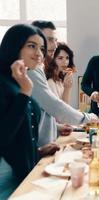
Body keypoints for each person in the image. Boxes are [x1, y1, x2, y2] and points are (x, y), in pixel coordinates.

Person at [0, 24, 59, 199]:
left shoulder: (20, 81)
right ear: (14, 46)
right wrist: (25, 92)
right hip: (7, 183)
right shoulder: (5, 85)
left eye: (41, 48)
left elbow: (18, 135)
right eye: (31, 46)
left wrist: (38, 151)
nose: (39, 53)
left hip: (26, 176)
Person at [29, 21, 98, 147]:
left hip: (43, 145)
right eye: (49, 40)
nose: (54, 45)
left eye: (55, 40)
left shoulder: (39, 68)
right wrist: (87, 118)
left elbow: (39, 113)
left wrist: (57, 127)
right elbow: (54, 106)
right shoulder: (32, 69)